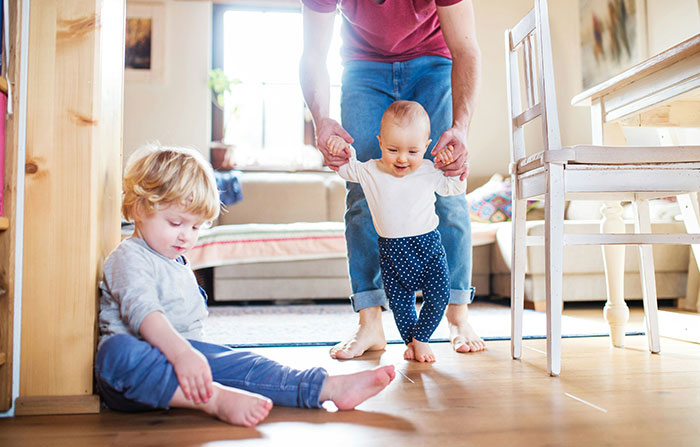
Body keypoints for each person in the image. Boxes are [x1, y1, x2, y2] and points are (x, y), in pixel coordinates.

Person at [94, 144, 396, 427]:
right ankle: (211, 399)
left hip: (184, 363)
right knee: (116, 353)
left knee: (244, 362)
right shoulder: (129, 257)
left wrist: (195, 357)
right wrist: (183, 355)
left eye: (196, 227)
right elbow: (145, 313)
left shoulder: (177, 261)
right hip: (135, 375)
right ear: (137, 209)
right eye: (175, 223)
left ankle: (326, 387)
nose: (186, 236)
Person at [299, 0, 485, 359]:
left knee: (447, 184)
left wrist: (460, 128)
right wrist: (321, 119)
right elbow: (312, 55)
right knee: (362, 195)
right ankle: (369, 323)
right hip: (362, 69)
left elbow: (466, 48)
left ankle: (458, 315)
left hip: (433, 63)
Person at [327, 101, 465, 363]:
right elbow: (345, 167)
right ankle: (410, 343)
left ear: (426, 146)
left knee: (439, 295)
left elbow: (453, 189)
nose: (402, 158)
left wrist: (456, 171)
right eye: (393, 149)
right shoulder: (369, 170)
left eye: (413, 151)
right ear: (380, 143)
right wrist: (341, 148)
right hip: (392, 253)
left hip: (428, 249)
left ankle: (421, 339)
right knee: (400, 304)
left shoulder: (429, 169)